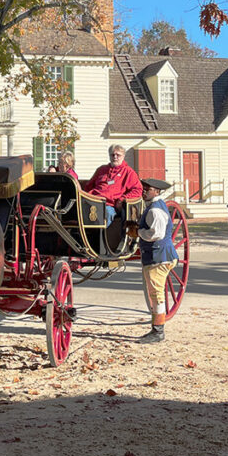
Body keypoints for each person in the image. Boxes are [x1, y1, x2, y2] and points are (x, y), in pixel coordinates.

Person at [130, 178, 178, 343]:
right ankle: (156, 329)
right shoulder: (155, 206)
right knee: (155, 293)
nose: (143, 191)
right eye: (143, 188)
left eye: (147, 189)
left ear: (156, 192)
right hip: (158, 256)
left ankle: (158, 331)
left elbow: (156, 234)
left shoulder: (155, 211)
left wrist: (138, 232)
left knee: (156, 294)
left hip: (159, 258)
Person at [83, 144, 143, 224]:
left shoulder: (129, 172)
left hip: (109, 205)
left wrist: (122, 199)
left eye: (118, 155)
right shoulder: (102, 169)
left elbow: (138, 190)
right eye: (112, 155)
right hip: (92, 202)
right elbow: (88, 186)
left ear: (123, 156)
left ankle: (98, 236)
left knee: (105, 214)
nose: (115, 157)